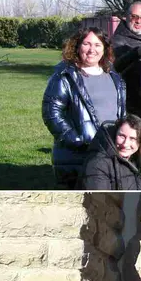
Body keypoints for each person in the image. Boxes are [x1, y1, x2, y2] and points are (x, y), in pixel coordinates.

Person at [42, 27, 125, 189]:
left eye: (97, 45)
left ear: (105, 49)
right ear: (77, 47)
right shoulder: (64, 76)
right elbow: (51, 113)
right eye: (87, 44)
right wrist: (76, 140)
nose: (92, 49)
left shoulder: (114, 77)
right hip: (78, 155)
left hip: (111, 151)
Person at [78, 115, 141, 190]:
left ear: (140, 142)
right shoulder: (97, 164)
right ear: (115, 134)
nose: (125, 144)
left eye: (132, 139)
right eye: (122, 136)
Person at [112, 1, 141, 119]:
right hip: (130, 106)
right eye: (134, 17)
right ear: (126, 16)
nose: (138, 21)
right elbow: (116, 67)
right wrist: (138, 52)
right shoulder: (117, 41)